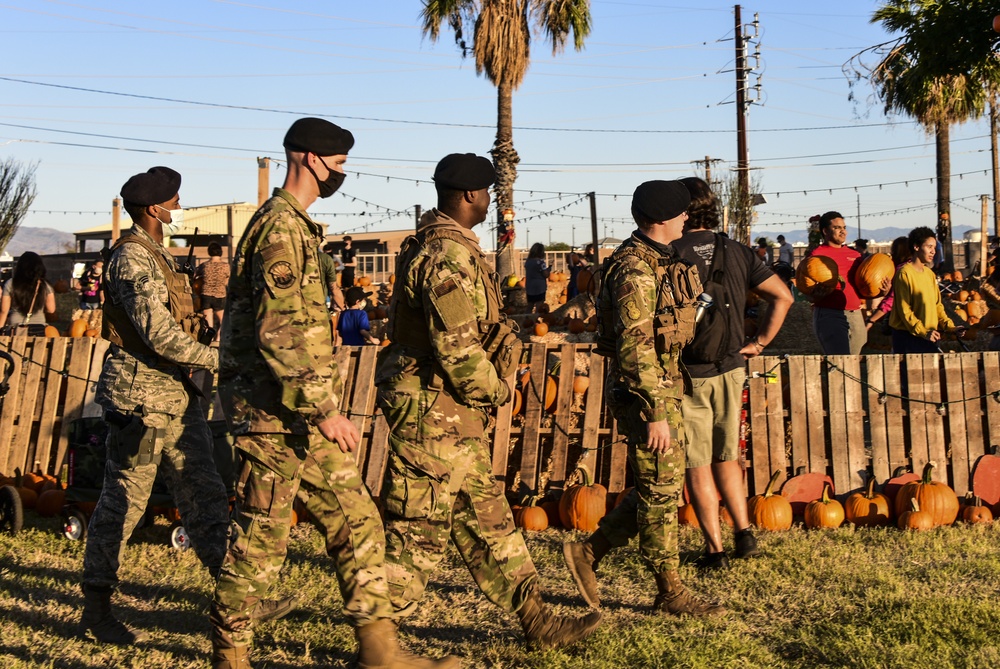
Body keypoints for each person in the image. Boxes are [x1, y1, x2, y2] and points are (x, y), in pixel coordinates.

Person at [211, 118, 455, 669]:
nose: (341, 175)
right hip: (273, 415)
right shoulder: (278, 229)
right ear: (307, 159)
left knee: (357, 518)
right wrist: (325, 409)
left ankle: (380, 651)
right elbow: (279, 331)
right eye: (337, 166)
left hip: (299, 412)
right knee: (261, 538)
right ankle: (230, 653)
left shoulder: (297, 228)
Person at [375, 152, 601, 651]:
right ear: (471, 195)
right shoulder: (445, 256)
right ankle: (376, 642)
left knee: (487, 518)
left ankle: (537, 621)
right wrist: (498, 390)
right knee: (415, 530)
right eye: (489, 196)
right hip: (432, 411)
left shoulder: (451, 249)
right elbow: (456, 349)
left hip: (450, 411)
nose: (491, 205)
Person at [79, 167, 232, 645]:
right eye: (173, 198)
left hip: (176, 397)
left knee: (204, 493)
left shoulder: (159, 256)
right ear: (153, 209)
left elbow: (177, 326)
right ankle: (96, 609)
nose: (179, 204)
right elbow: (158, 334)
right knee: (125, 502)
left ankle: (236, 598)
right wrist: (219, 358)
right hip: (139, 403)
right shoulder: (131, 259)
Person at [562, 179, 723, 617]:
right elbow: (635, 350)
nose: (688, 217)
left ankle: (590, 552)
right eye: (682, 212)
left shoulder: (657, 261)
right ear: (663, 219)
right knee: (660, 492)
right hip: (646, 397)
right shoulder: (635, 271)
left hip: (665, 388)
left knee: (661, 485)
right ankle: (670, 591)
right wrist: (654, 412)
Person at [671, 176, 793, 570]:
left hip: (690, 370)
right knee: (728, 454)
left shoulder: (670, 253)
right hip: (732, 367)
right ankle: (744, 532)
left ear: (682, 211)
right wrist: (759, 342)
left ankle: (715, 551)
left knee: (696, 462)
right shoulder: (738, 251)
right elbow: (784, 296)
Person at [889, 226, 960, 353]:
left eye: (934, 247)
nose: (933, 251)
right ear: (916, 247)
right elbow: (904, 310)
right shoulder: (904, 274)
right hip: (908, 336)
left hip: (930, 334)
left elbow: (937, 305)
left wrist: (950, 327)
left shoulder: (930, 274)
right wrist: (922, 331)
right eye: (929, 247)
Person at [806, 211, 867, 355]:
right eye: (837, 228)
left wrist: (881, 290)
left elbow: (864, 285)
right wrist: (815, 295)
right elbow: (807, 289)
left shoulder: (855, 256)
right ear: (825, 231)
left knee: (854, 359)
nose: (843, 231)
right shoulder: (816, 256)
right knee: (839, 360)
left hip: (855, 312)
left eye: (844, 227)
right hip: (829, 313)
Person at [0, 251, 56, 331]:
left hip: (15, 328)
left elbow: (4, 311)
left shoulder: (10, 283)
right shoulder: (45, 285)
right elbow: (51, 310)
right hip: (38, 328)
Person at [865, 236, 910, 334]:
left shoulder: (902, 271)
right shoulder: (920, 269)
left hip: (904, 323)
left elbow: (892, 299)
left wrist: (871, 320)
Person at [195, 242, 229, 342]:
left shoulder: (204, 265)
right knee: (223, 321)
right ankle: (218, 338)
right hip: (220, 295)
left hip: (206, 294)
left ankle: (209, 340)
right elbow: (227, 281)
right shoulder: (225, 266)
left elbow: (194, 275)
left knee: (208, 324)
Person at [524, 242, 550, 312]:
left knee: (530, 305)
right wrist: (548, 270)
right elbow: (545, 274)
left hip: (529, 286)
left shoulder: (528, 262)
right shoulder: (541, 263)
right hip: (539, 287)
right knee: (539, 304)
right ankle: (536, 319)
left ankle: (526, 318)